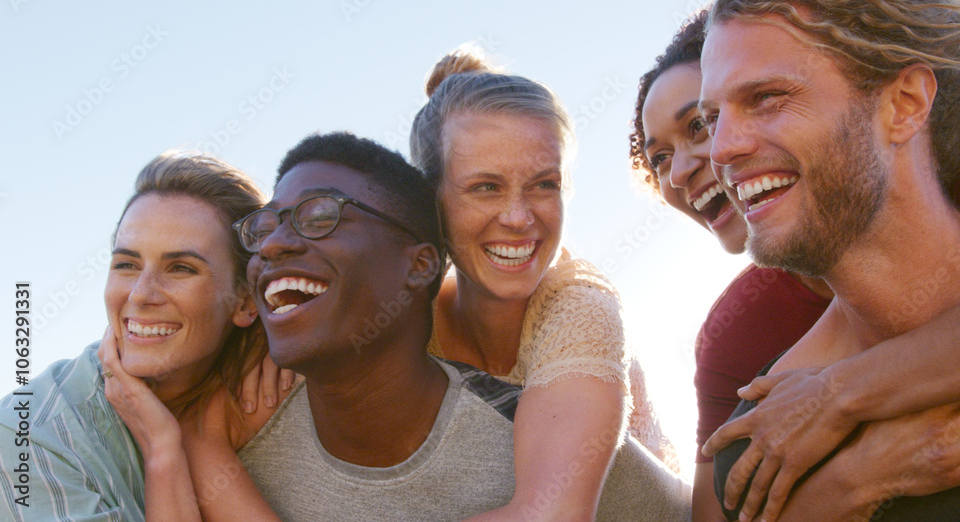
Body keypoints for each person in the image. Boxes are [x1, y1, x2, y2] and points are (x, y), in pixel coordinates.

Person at [180, 131, 692, 521]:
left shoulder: (543, 446)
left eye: (319, 216)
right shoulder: (237, 453)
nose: (271, 246)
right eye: (263, 228)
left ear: (421, 264)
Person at [630, 6, 960, 520]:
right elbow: (720, 506)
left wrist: (839, 395)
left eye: (700, 124)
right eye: (659, 158)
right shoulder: (738, 328)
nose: (685, 170)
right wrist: (857, 480)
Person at [408, 50, 678, 519]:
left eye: (543, 185)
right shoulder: (406, 316)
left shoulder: (579, 303)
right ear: (430, 200)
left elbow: (550, 516)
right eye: (485, 187)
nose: (518, 218)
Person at [0, 152, 291, 521]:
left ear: (246, 300)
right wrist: (164, 447)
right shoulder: (28, 439)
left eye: (181, 268)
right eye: (126, 264)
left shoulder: (274, 383)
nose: (140, 294)